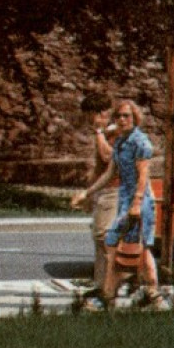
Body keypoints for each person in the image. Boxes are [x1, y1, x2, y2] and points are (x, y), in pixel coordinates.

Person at [72, 99, 163, 309]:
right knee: (117, 245)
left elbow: (143, 176)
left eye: (126, 116)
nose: (122, 120)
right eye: (119, 116)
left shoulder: (140, 142)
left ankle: (149, 295)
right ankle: (115, 295)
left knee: (140, 249)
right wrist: (87, 192)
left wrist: (137, 204)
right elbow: (110, 172)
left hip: (140, 201)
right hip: (125, 199)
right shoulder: (121, 142)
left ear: (135, 118)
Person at [79, 91, 119, 294]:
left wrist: (98, 133)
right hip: (103, 192)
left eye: (90, 116)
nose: (88, 121)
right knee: (99, 239)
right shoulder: (105, 134)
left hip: (113, 191)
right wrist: (89, 193)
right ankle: (100, 284)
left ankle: (107, 288)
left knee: (105, 240)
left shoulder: (115, 133)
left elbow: (106, 157)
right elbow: (97, 167)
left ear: (102, 114)